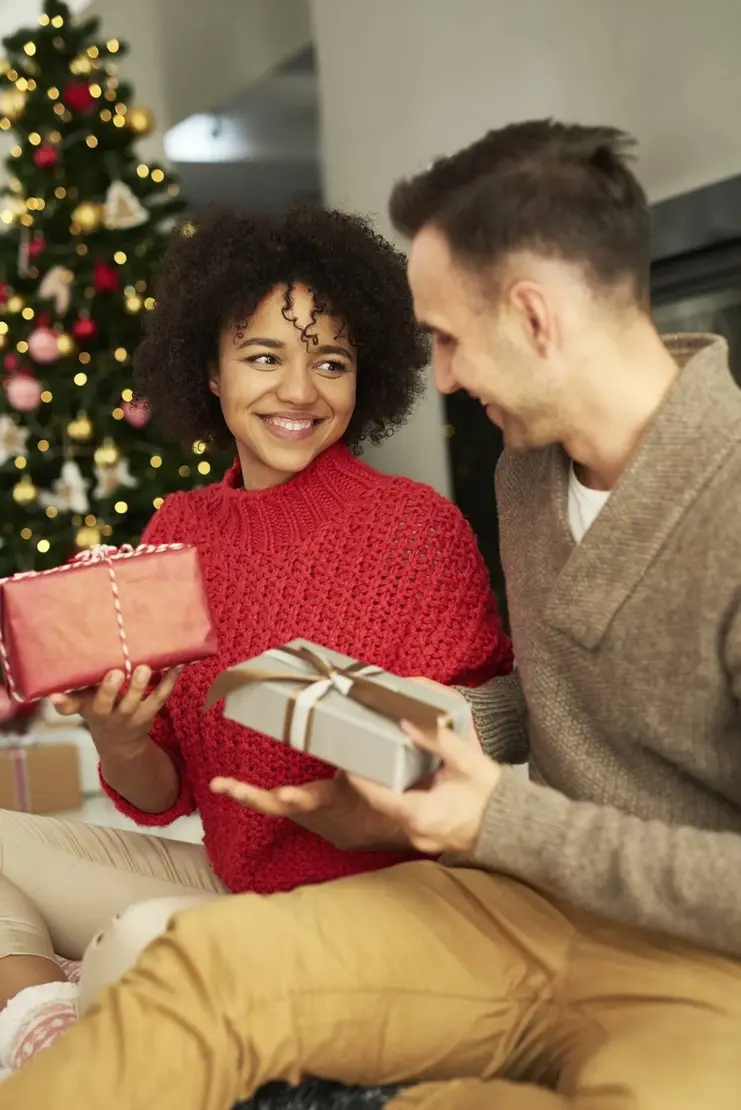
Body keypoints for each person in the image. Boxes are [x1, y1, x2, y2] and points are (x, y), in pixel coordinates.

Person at [6, 119, 741, 1110]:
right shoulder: (530, 473)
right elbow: (553, 694)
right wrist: (407, 722)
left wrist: (489, 811)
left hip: (689, 958)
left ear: (532, 317)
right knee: (192, 980)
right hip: (520, 907)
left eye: (448, 338)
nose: (443, 379)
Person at [0, 206, 511, 1073]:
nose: (300, 392)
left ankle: (81, 1029)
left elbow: (473, 761)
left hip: (380, 911)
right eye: (265, 357)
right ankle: (43, 1022)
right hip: (230, 882)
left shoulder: (415, 530)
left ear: (364, 377)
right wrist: (120, 738)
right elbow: (161, 791)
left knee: (142, 941)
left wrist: (376, 745)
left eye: (331, 362)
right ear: (210, 369)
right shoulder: (181, 528)